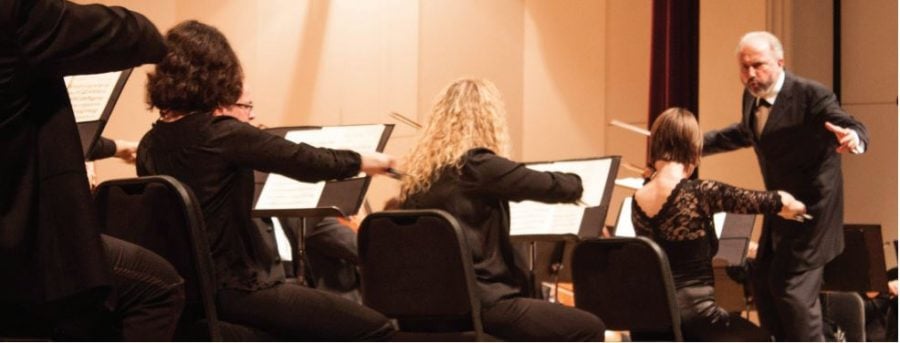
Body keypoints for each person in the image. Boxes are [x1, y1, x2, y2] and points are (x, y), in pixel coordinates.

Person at [136, 20, 395, 340]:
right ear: (218, 74)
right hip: (234, 291)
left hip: (185, 296)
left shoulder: (149, 144)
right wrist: (364, 161)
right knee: (377, 327)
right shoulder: (221, 134)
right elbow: (306, 161)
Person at [0, 0, 186, 340]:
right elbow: (137, 36)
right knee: (159, 285)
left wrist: (115, 147)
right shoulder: (16, 14)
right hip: (18, 251)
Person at [398, 78, 606, 341]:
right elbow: (560, 187)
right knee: (588, 327)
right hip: (482, 303)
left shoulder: (420, 177)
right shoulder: (477, 166)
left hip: (427, 309)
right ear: (488, 120)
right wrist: (580, 181)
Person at [703, 31, 870, 341]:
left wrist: (854, 138)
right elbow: (745, 133)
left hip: (812, 212)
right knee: (764, 282)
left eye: (759, 65)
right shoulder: (751, 97)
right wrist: (694, 144)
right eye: (744, 67)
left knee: (790, 289)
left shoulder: (810, 94)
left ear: (780, 62)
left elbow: (847, 123)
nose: (751, 74)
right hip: (779, 209)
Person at [632, 107, 808, 341]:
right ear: (693, 148)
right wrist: (796, 205)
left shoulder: (637, 199)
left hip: (650, 323)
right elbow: (774, 201)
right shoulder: (700, 192)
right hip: (697, 319)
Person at [213, 87, 363, 300]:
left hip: (283, 279)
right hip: (258, 284)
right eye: (246, 106)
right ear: (220, 110)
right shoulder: (234, 177)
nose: (253, 115)